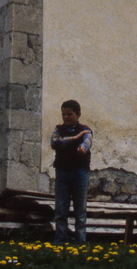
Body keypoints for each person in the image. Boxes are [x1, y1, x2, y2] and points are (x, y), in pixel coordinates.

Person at [51, 99, 93, 244]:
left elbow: (87, 141)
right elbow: (55, 142)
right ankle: (60, 241)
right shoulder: (58, 129)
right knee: (61, 209)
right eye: (63, 114)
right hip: (62, 173)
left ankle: (80, 242)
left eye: (69, 114)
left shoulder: (86, 130)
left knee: (80, 210)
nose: (66, 117)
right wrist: (74, 138)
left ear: (78, 114)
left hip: (80, 173)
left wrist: (82, 147)